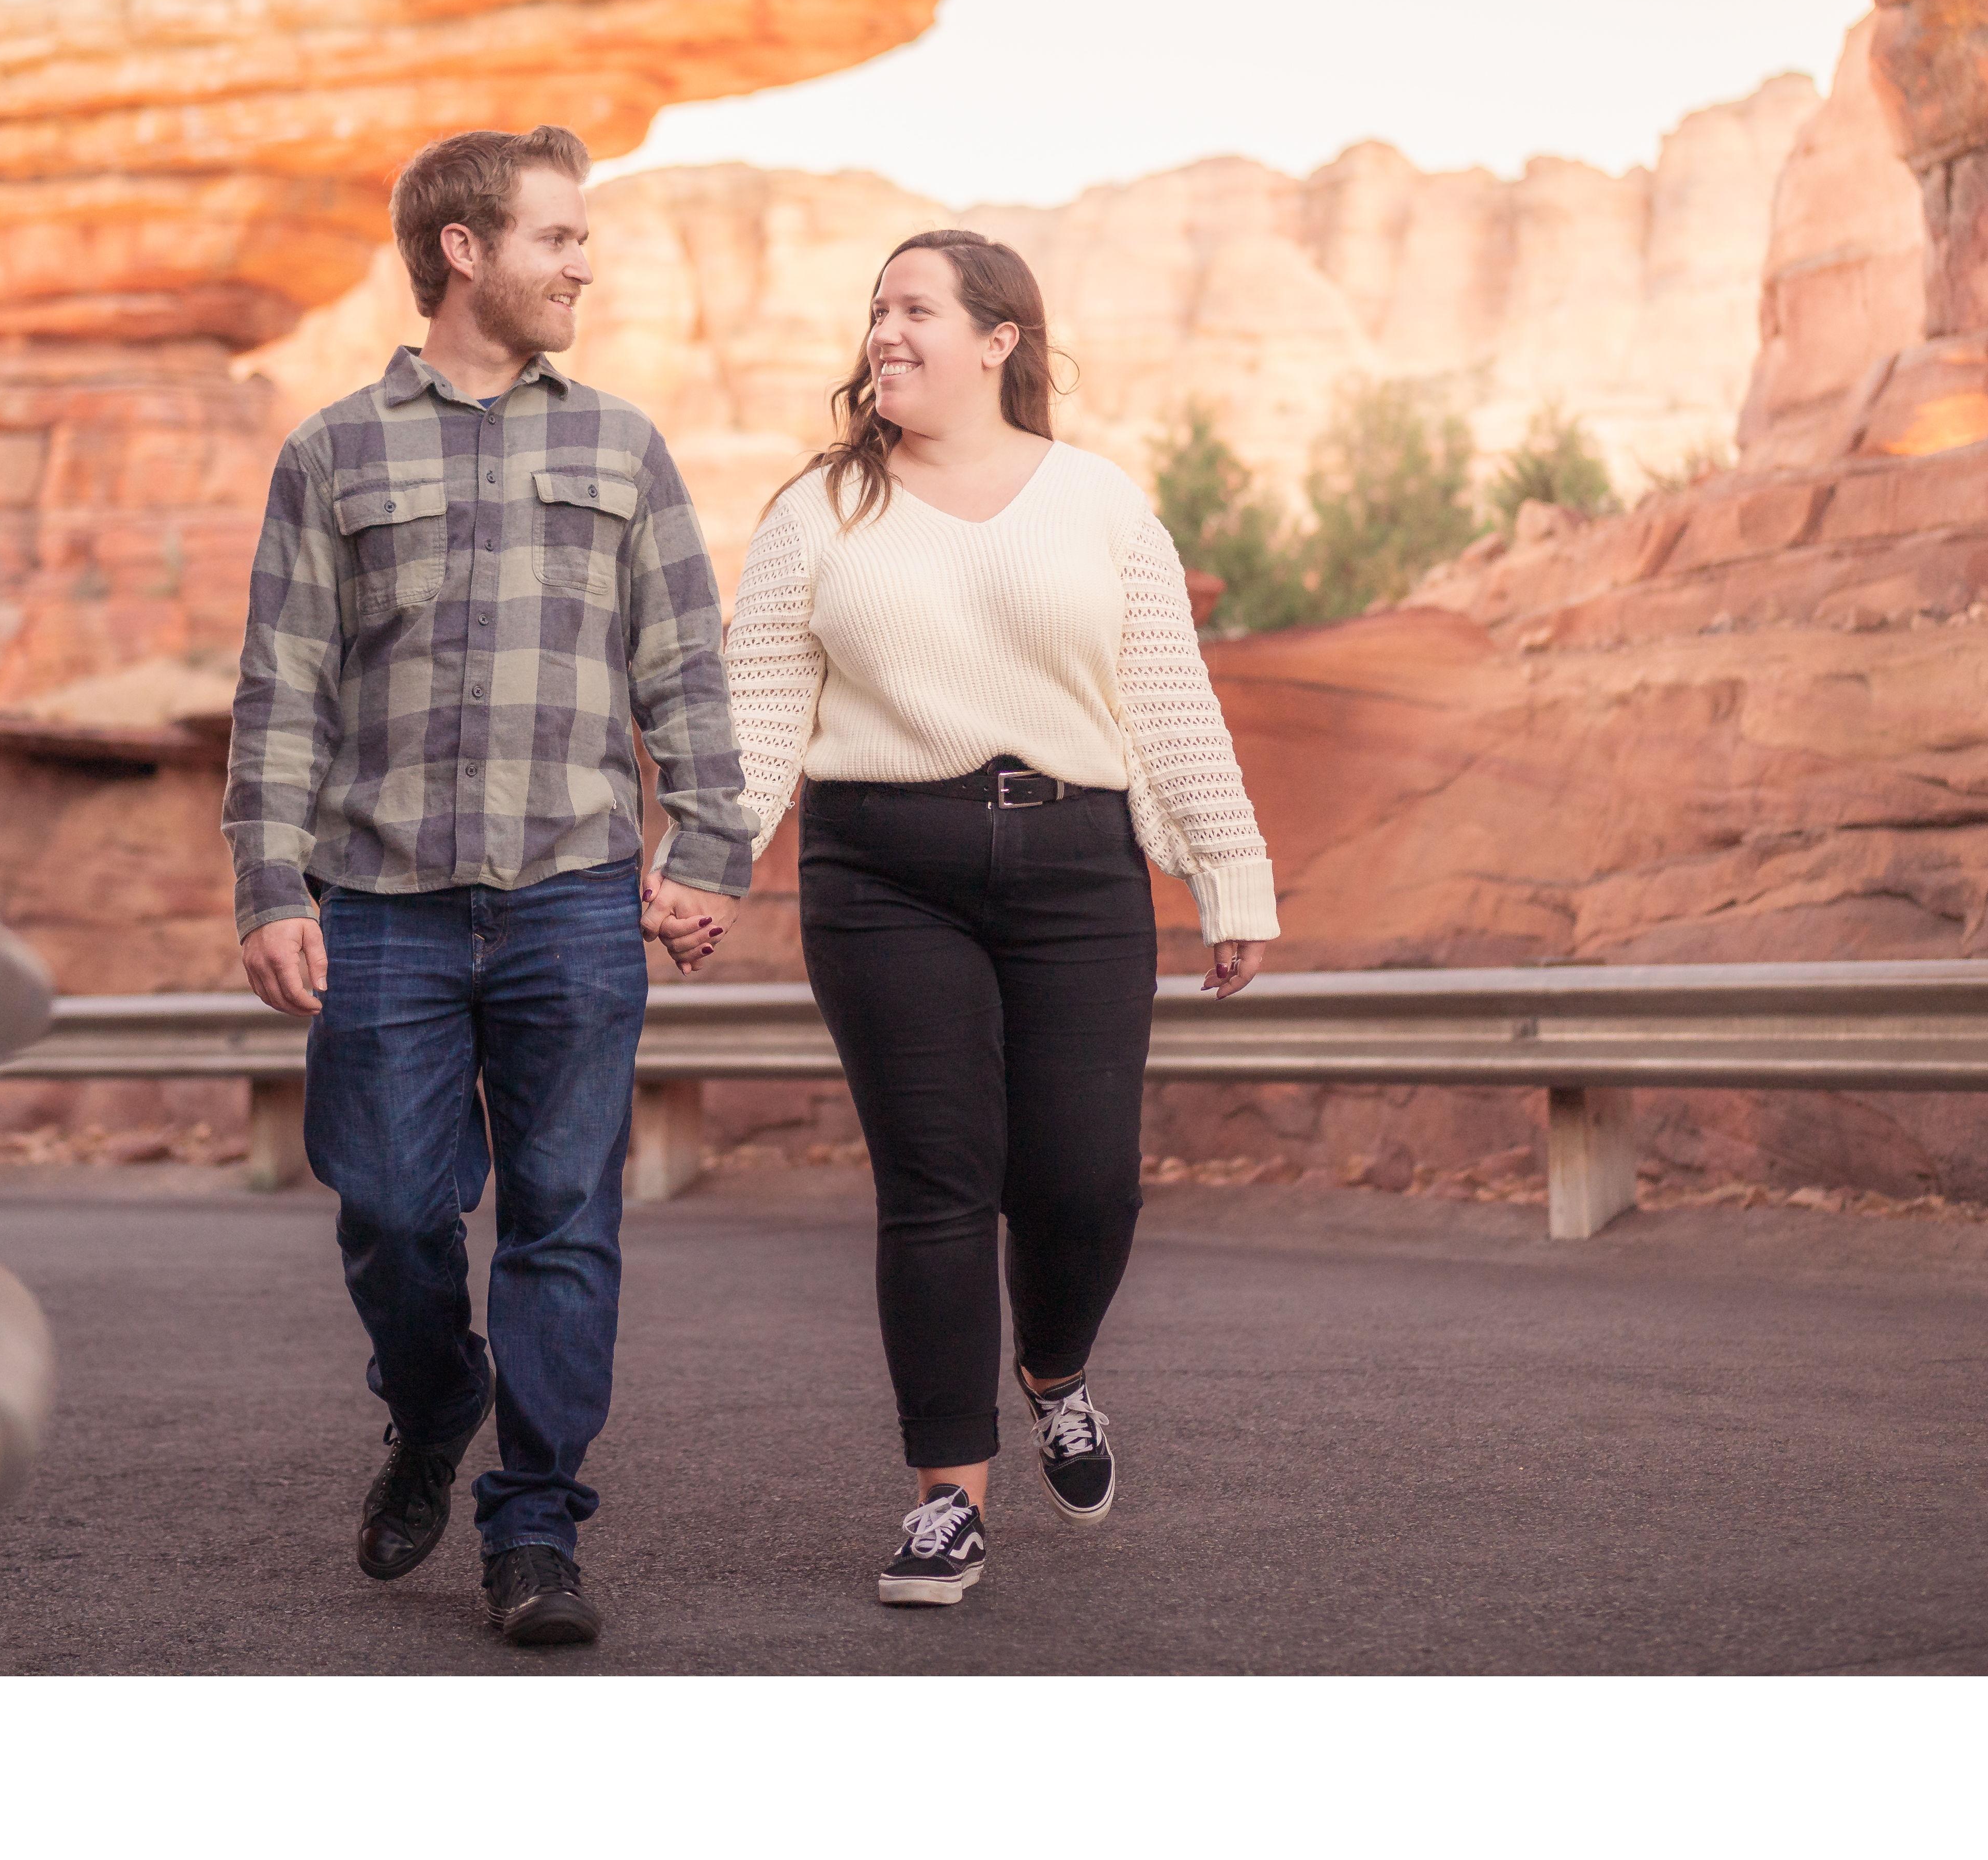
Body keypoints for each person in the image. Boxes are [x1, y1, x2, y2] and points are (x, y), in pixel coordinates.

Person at [226, 124, 744, 1650]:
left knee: (566, 1219)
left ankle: (533, 1527)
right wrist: (271, 885)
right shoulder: (330, 451)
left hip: (576, 900)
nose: (585, 261)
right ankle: (436, 1396)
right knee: (389, 1209)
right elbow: (282, 690)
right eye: (560, 237)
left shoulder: (621, 448)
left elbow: (685, 669)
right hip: (378, 902)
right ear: (464, 248)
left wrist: (702, 851)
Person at [723, 229, 1276, 1609]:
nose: (884, 333)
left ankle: (1057, 1371)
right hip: (881, 874)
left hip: (1078, 870)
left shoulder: (1098, 503)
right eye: (874, 312)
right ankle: (945, 1500)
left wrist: (1230, 873)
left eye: (914, 309)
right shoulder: (815, 511)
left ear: (998, 338)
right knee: (936, 1184)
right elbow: (753, 714)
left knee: (1085, 1181)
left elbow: (1167, 704)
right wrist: (702, 857)